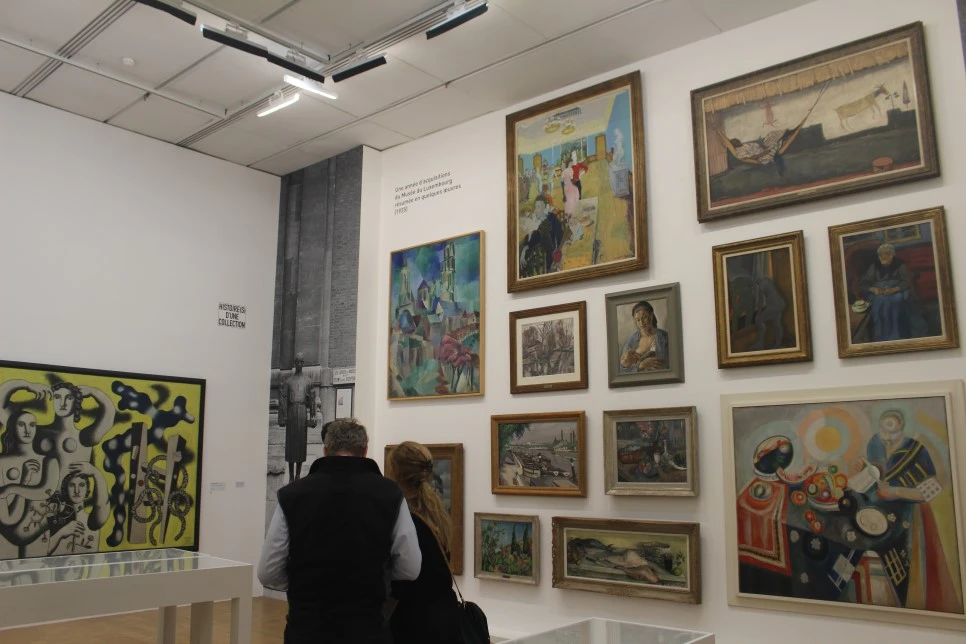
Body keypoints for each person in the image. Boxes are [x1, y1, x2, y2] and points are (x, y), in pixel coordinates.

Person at [257, 419, 421, 644]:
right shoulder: (390, 494)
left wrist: (303, 583)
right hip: (368, 627)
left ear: (325, 451)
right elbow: (410, 568)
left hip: (307, 627)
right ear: (364, 451)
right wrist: (376, 578)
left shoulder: (292, 494)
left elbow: (267, 572)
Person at [386, 441, 462, 644]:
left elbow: (403, 583)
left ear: (394, 472)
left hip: (415, 622)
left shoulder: (403, 518)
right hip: (445, 618)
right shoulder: (436, 514)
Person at [858, 243, 927, 342]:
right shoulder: (874, 266)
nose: (884, 257)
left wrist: (893, 290)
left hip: (897, 290)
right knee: (880, 301)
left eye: (887, 254)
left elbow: (906, 282)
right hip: (879, 293)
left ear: (893, 254)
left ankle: (897, 334)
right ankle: (881, 335)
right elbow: (863, 283)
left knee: (896, 300)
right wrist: (874, 289)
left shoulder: (900, 265)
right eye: (881, 255)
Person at [278, 353, 315, 481]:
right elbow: (283, 400)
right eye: (297, 362)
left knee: (300, 444)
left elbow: (312, 399)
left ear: (303, 363)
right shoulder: (288, 381)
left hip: (302, 412)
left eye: (301, 362)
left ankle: (298, 474)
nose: (299, 364)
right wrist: (282, 417)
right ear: (295, 363)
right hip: (291, 412)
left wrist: (313, 416)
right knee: (291, 445)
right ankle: (291, 475)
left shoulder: (308, 381)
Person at [619, 300, 669, 373]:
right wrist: (640, 365)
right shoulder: (631, 341)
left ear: (651, 316)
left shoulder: (665, 337)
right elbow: (622, 369)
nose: (641, 322)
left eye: (645, 317)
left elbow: (671, 363)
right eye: (638, 320)